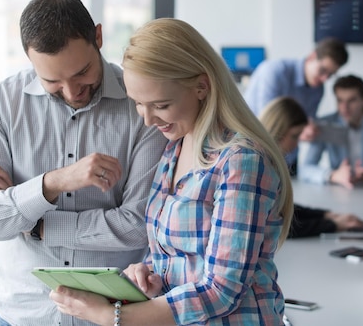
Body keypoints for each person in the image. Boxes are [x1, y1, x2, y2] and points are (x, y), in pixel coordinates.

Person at [50, 18, 294, 325]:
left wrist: (112, 316)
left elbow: (222, 290)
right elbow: (176, 253)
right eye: (138, 104)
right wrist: (150, 272)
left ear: (202, 87)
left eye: (160, 105)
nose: (148, 119)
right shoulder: (175, 148)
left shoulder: (241, 161)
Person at [0, 0, 167, 326]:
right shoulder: (1, 104)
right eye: (52, 80)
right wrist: (52, 184)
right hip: (20, 315)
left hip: (111, 314)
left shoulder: (140, 104)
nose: (72, 91)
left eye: (82, 72)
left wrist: (33, 220)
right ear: (29, 59)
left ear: (98, 36)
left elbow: (140, 226)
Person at [259, 96, 363, 237]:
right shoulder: (260, 167)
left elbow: (282, 208)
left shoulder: (269, 162)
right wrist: (334, 225)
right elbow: (277, 225)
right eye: (295, 136)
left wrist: (326, 215)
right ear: (277, 130)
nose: (296, 144)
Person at [243, 37, 348, 174]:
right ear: (312, 56)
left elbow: (305, 123)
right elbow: (268, 122)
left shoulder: (318, 89)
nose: (324, 79)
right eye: (323, 70)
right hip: (256, 155)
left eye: (330, 75)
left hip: (287, 159)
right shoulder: (275, 71)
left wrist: (308, 130)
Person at [299, 75, 363, 188]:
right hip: (339, 190)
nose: (344, 107)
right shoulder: (325, 124)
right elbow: (305, 169)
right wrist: (333, 175)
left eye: (351, 100)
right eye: (339, 100)